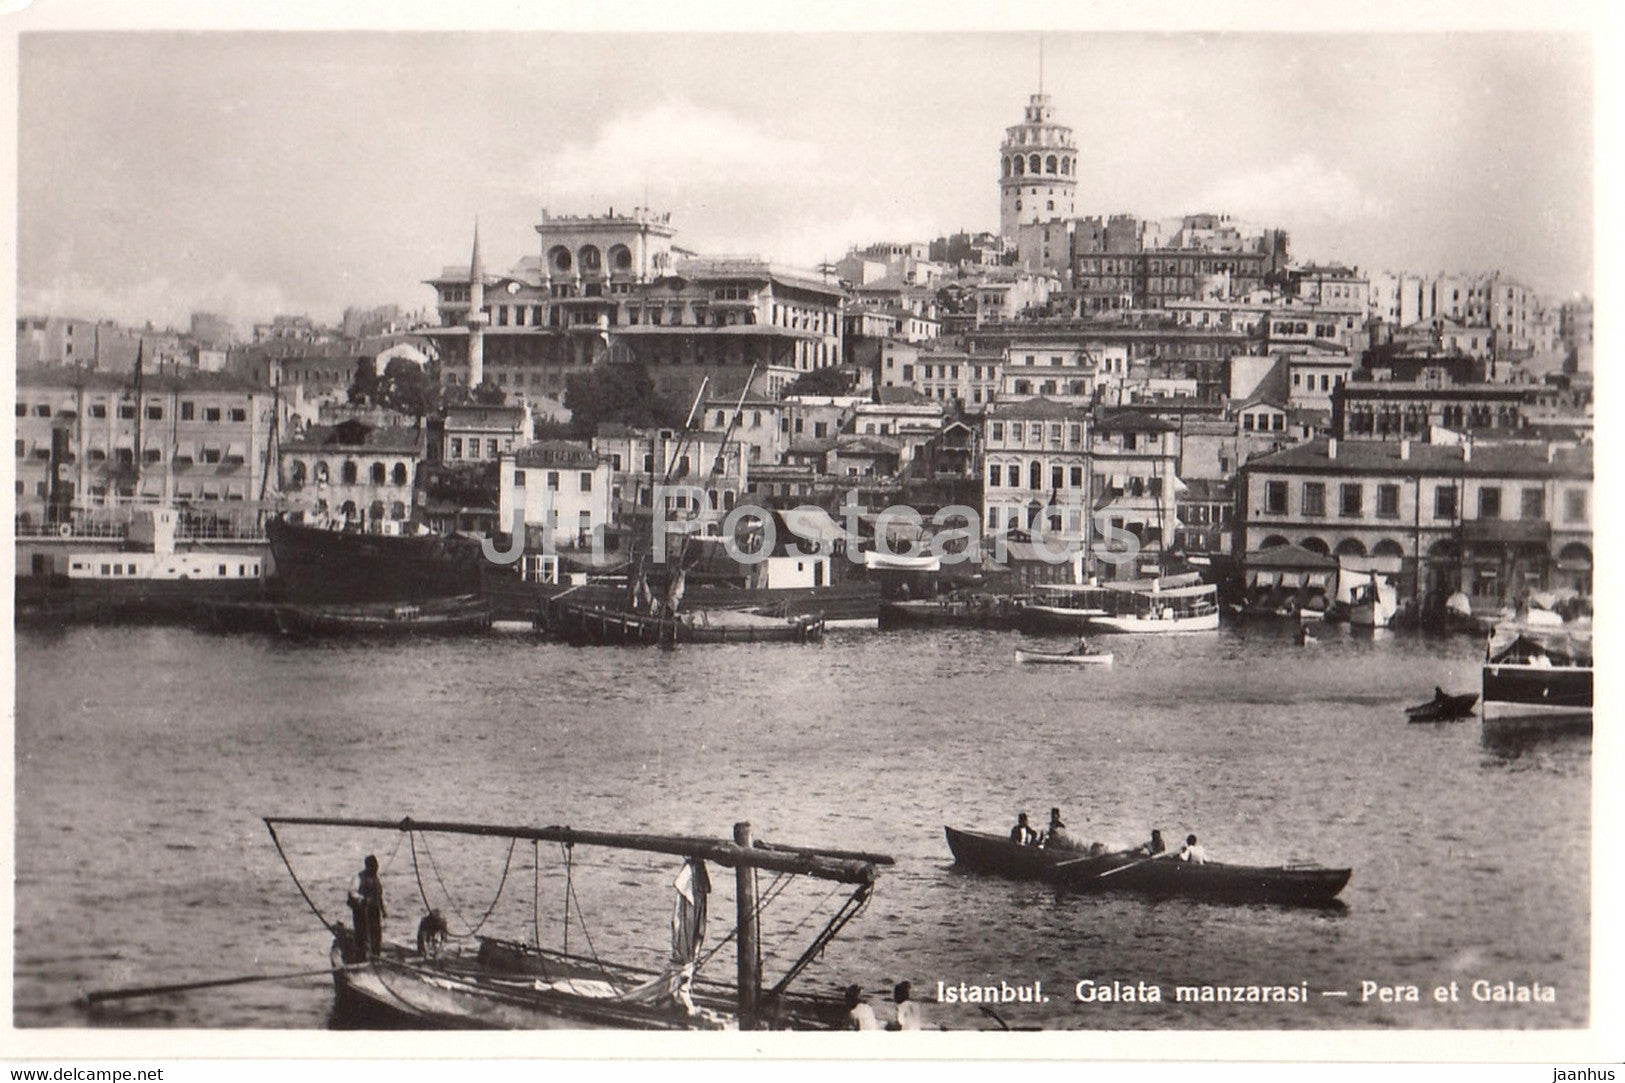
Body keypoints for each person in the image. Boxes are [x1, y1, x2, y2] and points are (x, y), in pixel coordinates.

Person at [349, 854, 387, 958]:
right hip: (361, 910)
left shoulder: (376, 878)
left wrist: (383, 909)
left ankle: (376, 954)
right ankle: (361, 956)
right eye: (374, 867)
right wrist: (363, 899)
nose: (375, 869)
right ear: (368, 866)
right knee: (362, 933)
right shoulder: (358, 877)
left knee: (376, 932)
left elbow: (380, 895)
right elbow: (352, 893)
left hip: (374, 909)